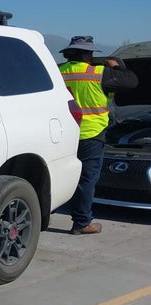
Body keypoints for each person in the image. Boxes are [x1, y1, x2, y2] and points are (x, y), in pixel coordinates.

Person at [59, 35, 138, 235]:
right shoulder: (98, 73)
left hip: (62, 134)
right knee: (86, 179)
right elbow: (131, 81)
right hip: (90, 134)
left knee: (61, 175)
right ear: (88, 54)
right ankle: (82, 222)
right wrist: (116, 66)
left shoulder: (58, 71)